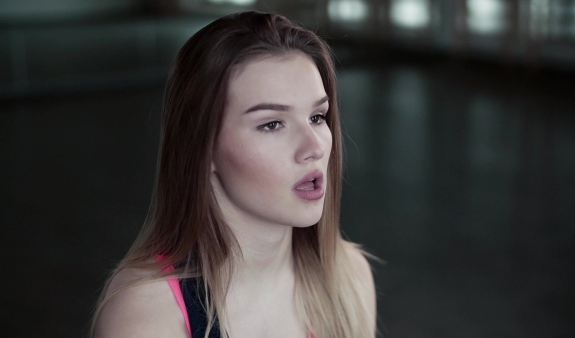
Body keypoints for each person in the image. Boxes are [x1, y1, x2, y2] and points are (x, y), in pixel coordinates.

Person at [92, 11, 376, 338]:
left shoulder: (349, 279)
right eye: (272, 124)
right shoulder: (145, 314)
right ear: (203, 146)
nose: (314, 147)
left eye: (317, 116)